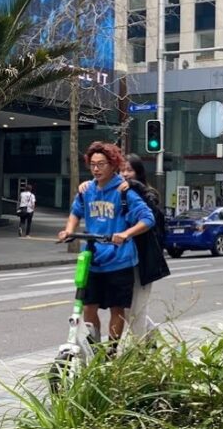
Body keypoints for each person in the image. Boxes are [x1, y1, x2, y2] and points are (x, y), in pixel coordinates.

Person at [59, 142, 154, 350]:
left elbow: (147, 218)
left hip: (120, 261)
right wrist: (68, 230)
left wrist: (126, 233)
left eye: (101, 164)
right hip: (92, 259)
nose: (96, 169)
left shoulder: (124, 191)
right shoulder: (87, 190)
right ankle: (94, 350)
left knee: (116, 310)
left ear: (112, 165)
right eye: (92, 164)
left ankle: (110, 352)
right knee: (88, 308)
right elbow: (76, 212)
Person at [83, 154, 170, 341]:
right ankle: (153, 340)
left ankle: (141, 355)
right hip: (120, 260)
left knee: (135, 311)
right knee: (128, 310)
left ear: (138, 173)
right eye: (121, 170)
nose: (124, 174)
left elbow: (151, 218)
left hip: (142, 262)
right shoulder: (116, 192)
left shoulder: (146, 193)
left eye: (129, 170)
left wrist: (135, 187)